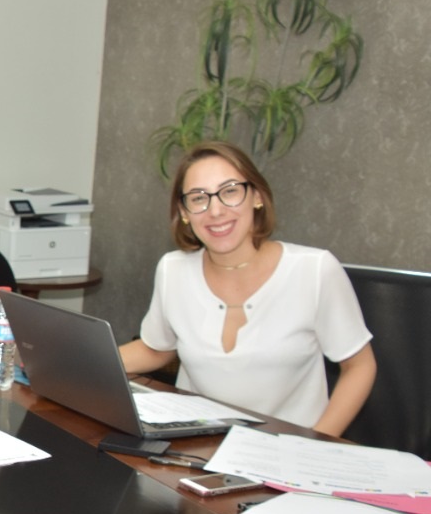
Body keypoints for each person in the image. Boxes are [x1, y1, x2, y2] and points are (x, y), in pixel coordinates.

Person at [119, 140, 375, 435]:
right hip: (195, 446)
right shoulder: (172, 269)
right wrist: (74, 365)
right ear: (185, 211)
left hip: (288, 451)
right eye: (199, 198)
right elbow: (156, 349)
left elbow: (360, 367)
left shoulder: (314, 270)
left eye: (229, 192)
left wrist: (316, 444)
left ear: (257, 197)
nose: (215, 210)